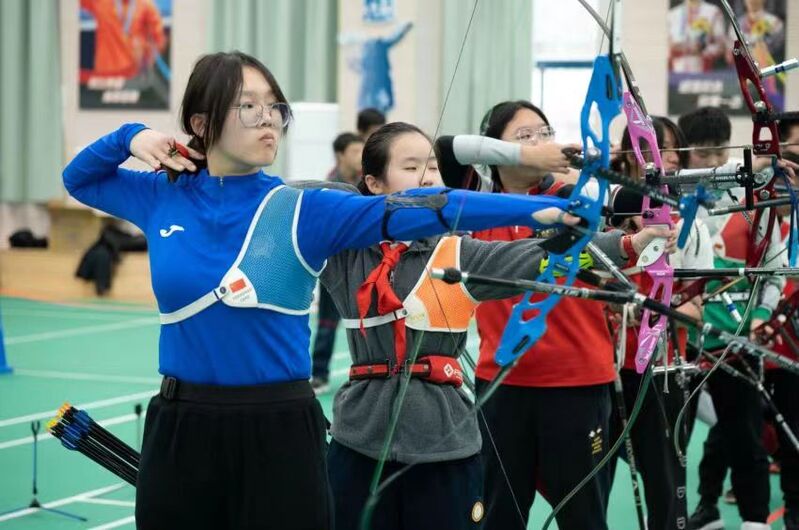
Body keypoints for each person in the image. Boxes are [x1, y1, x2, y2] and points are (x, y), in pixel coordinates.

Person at [62, 51, 577, 529]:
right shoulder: (160, 196)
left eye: (274, 106)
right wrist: (130, 134)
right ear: (201, 123)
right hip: (181, 423)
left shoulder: (302, 208)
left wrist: (543, 212)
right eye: (248, 106)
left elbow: (431, 207)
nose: (268, 118)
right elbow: (79, 179)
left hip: (279, 426)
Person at [324, 121, 671, 530]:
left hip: (445, 441)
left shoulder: (459, 252)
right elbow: (300, 196)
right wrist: (374, 212)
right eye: (411, 166)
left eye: (433, 168)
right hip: (358, 438)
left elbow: (538, 255)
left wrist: (632, 244)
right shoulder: (347, 250)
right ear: (374, 183)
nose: (427, 178)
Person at [438, 99, 677, 530]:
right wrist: (528, 156)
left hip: (578, 385)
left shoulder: (570, 198)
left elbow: (627, 206)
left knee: (583, 517)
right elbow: (445, 147)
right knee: (497, 514)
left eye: (545, 133)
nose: (539, 143)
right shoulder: (474, 207)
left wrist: (649, 227)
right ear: (493, 148)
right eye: (523, 136)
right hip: (502, 387)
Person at [606, 116, 713, 530]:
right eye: (648, 148)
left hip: (664, 370)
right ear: (625, 154)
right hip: (605, 370)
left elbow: (699, 304)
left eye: (669, 150)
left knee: (666, 485)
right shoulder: (603, 215)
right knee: (592, 480)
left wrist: (659, 314)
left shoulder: (692, 226)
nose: (660, 158)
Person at [682, 107, 784, 530]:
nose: (710, 164)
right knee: (674, 444)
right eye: (700, 155)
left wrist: (759, 316)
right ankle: (697, 510)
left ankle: (755, 521)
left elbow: (774, 271)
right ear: (685, 155)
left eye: (717, 153)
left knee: (744, 439)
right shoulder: (675, 202)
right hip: (684, 346)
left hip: (738, 345)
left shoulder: (754, 204)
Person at [311, 132, 365, 394]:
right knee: (327, 323)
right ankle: (319, 374)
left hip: (362, 262)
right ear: (340, 154)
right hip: (335, 264)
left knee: (366, 322)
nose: (360, 157)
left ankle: (366, 373)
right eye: (355, 151)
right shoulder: (330, 186)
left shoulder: (367, 182)